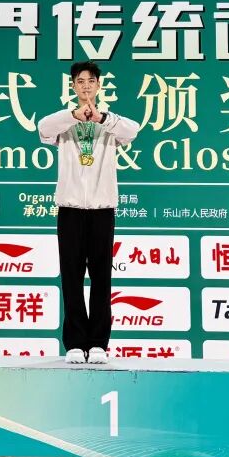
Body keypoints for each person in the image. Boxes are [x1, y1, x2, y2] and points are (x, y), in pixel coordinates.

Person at [37, 61, 140, 364]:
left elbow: (132, 131)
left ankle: (98, 344)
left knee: (101, 277)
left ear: (98, 86)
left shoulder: (110, 122)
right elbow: (42, 128)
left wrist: (100, 117)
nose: (85, 86)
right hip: (70, 209)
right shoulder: (64, 122)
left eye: (90, 81)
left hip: (102, 209)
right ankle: (74, 343)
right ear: (73, 86)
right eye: (80, 81)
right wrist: (73, 115)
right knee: (71, 277)